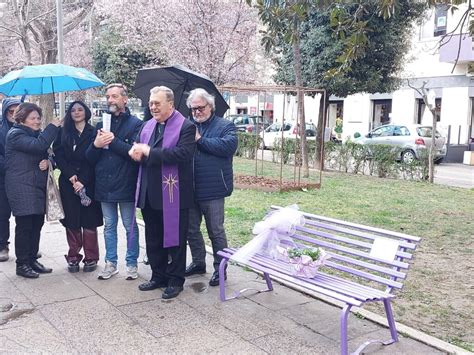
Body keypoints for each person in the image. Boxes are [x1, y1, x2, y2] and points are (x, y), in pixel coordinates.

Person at [129, 86, 196, 299]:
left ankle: (176, 280)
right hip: (150, 191)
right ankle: (158, 275)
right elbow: (140, 148)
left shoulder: (186, 126)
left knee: (175, 239)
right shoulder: (147, 126)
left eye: (157, 103)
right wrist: (135, 152)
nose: (153, 107)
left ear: (171, 104)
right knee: (153, 237)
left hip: (173, 192)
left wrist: (149, 151)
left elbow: (183, 154)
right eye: (151, 103)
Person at [86, 83, 142, 281]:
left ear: (124, 100)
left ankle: (132, 263)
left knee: (130, 226)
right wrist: (95, 144)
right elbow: (90, 157)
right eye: (108, 96)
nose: (110, 100)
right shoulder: (101, 124)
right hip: (104, 184)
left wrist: (113, 141)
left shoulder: (136, 124)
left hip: (126, 183)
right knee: (109, 227)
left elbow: (135, 153)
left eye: (115, 96)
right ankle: (111, 263)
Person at [184, 88, 238, 286]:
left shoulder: (225, 125)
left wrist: (200, 140)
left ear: (210, 106)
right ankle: (198, 262)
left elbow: (228, 147)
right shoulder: (188, 126)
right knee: (191, 229)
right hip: (190, 187)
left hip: (214, 188)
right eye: (193, 109)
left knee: (215, 230)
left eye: (200, 107)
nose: (197, 112)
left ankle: (220, 268)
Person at [5, 103, 61, 278]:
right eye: (33, 118)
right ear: (22, 119)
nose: (37, 121)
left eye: (38, 118)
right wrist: (53, 126)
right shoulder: (15, 134)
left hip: (36, 186)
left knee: (37, 223)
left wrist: (48, 162)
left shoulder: (35, 134)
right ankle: (22, 264)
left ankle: (31, 259)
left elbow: (49, 153)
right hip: (21, 186)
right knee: (25, 225)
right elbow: (38, 146)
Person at [53, 101, 103, 273]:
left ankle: (91, 257)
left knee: (89, 221)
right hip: (68, 183)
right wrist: (69, 175)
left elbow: (95, 157)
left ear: (86, 112)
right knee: (72, 220)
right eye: (73, 110)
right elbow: (59, 156)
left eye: (80, 109)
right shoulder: (63, 132)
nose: (76, 112)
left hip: (89, 181)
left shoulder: (94, 131)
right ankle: (73, 256)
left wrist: (82, 179)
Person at [0, 98, 21, 262]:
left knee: (24, 216)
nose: (13, 115)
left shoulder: (27, 129)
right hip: (3, 178)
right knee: (2, 214)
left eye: (17, 111)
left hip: (22, 180)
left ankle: (27, 247)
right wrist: (11, 164)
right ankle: (2, 245)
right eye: (10, 111)